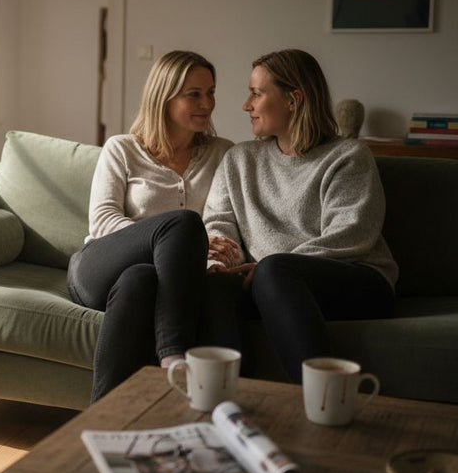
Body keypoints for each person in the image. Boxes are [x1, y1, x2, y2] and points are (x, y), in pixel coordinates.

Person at [201, 49, 397, 380]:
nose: (246, 105)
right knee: (216, 286)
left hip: (355, 278)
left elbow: (352, 232)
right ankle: (232, 399)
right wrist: (222, 259)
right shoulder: (239, 159)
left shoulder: (347, 155)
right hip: (267, 281)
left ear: (293, 99)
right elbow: (219, 223)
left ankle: (320, 397)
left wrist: (270, 268)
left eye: (257, 93)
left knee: (275, 271)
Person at [67, 50, 234, 403]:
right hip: (98, 265)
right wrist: (175, 245)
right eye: (194, 94)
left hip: (144, 278)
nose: (207, 104)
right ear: (164, 96)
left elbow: (222, 221)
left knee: (139, 279)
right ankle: (173, 355)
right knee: (183, 224)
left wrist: (210, 250)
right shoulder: (122, 149)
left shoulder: (222, 153)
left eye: (211, 92)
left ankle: (105, 414)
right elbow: (103, 220)